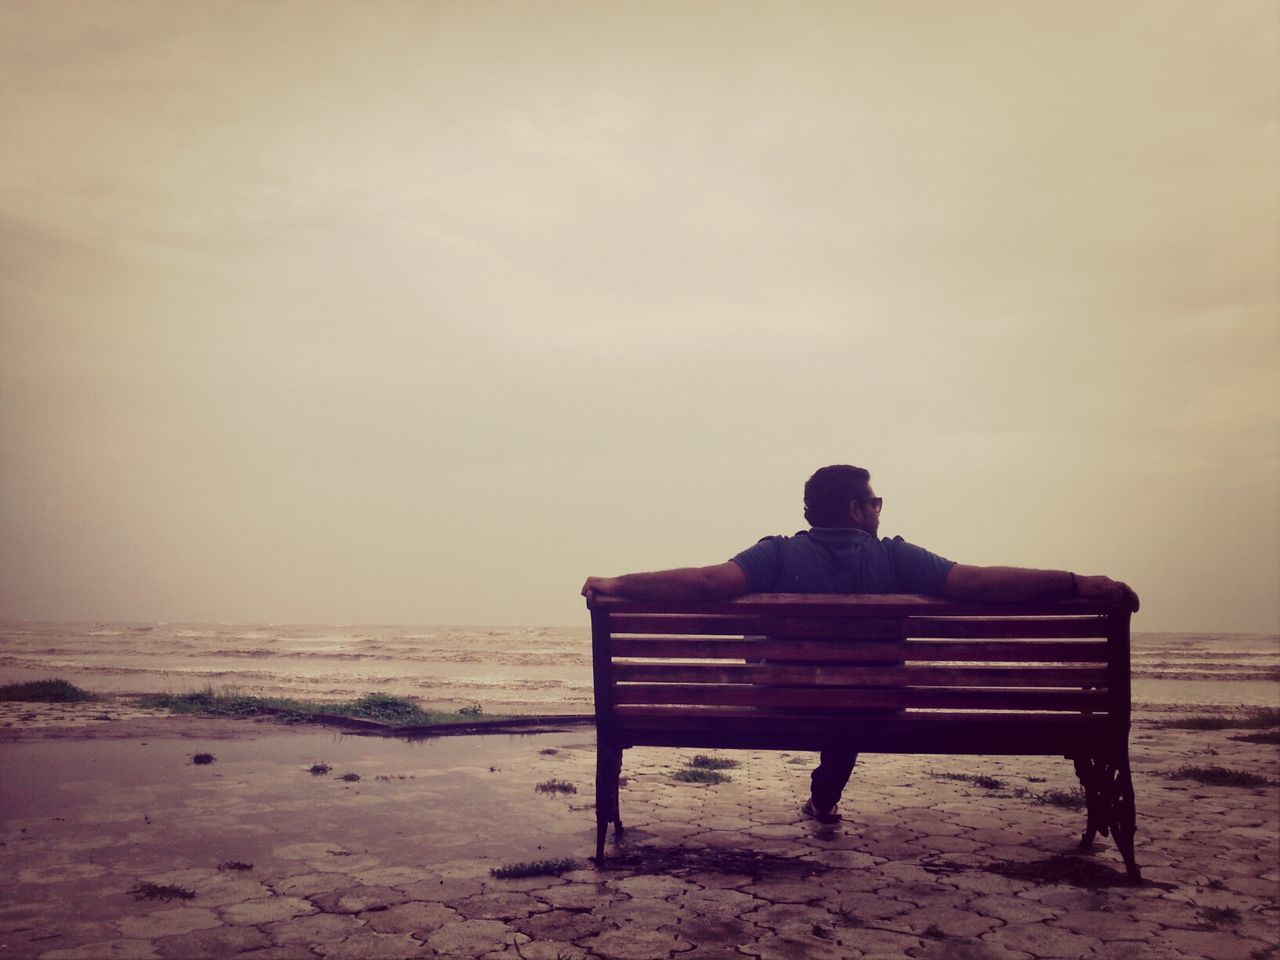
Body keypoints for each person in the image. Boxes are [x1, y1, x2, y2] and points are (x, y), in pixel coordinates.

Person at [580, 464, 1139, 824]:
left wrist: (617, 585)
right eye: (874, 503)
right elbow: (981, 583)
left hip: (781, 706)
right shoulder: (896, 557)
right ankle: (824, 800)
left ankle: (823, 800)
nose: (879, 510)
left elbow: (703, 584)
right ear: (854, 511)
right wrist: (1079, 584)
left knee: (828, 693)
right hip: (878, 708)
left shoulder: (774, 555)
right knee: (851, 698)